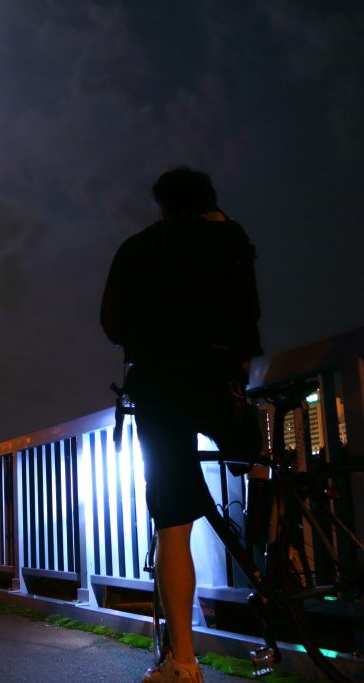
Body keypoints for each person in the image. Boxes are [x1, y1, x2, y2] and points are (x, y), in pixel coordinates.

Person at [101, 167, 263, 683]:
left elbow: (112, 324)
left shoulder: (138, 247)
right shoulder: (230, 236)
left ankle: (184, 664)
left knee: (174, 523)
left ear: (162, 206)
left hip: (162, 389)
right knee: (258, 462)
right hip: (223, 383)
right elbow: (249, 313)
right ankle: (279, 555)